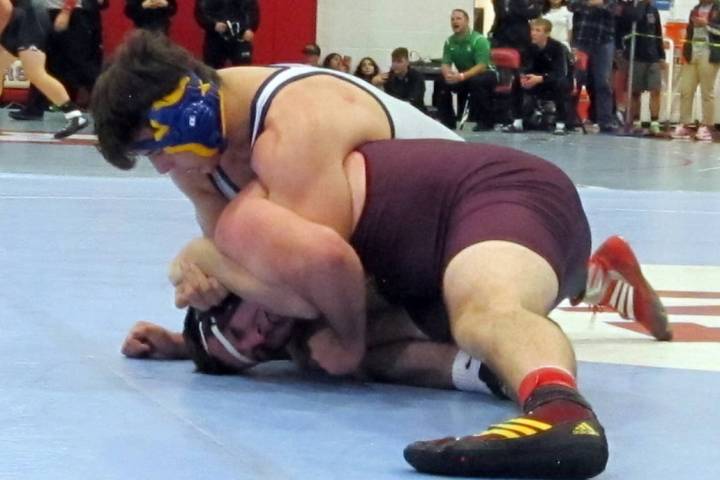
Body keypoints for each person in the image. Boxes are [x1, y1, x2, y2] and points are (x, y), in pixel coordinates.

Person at [149, 137, 671, 478]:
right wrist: (187, 346)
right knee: (345, 354)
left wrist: (195, 258)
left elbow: (317, 261)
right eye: (259, 348)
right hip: (467, 246)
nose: (264, 332)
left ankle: (562, 412)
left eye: (248, 324)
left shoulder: (280, 238)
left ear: (248, 283)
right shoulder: (303, 325)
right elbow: (268, 328)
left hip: (494, 190)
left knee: (481, 314)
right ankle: (595, 280)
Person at [91, 30, 461, 245]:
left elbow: (319, 271)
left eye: (156, 149)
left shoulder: (298, 119)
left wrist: (203, 261)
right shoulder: (193, 163)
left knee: (329, 340)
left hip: (470, 219)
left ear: (189, 116)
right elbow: (238, 259)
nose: (161, 167)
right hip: (414, 238)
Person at [0, 0, 89, 138]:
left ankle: (75, 116)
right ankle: (74, 116)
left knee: (35, 73)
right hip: (18, 21)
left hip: (28, 21)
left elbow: (5, 6)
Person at [503, 18, 572, 134]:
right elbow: (523, 66)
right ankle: (517, 122)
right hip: (535, 81)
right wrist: (523, 77)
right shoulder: (528, 47)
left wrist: (540, 79)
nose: (533, 33)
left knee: (561, 84)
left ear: (547, 33)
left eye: (538, 30)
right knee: (516, 82)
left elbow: (560, 73)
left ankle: (561, 124)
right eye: (533, 30)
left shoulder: (558, 48)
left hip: (552, 81)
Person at [433, 8, 497, 131]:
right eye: (452, 19)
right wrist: (448, 75)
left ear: (467, 21)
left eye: (458, 18)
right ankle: (447, 121)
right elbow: (445, 63)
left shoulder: (479, 40)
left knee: (477, 81)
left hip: (486, 74)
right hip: (465, 75)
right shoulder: (449, 42)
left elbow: (481, 66)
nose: (454, 21)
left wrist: (461, 76)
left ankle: (486, 122)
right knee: (441, 81)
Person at [671, 0, 720, 141]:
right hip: (692, 52)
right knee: (686, 90)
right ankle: (685, 124)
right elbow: (689, 32)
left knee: (707, 92)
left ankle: (707, 126)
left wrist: (707, 25)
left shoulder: (718, 8)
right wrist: (685, 52)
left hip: (709, 53)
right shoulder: (695, 9)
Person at [568, 0, 618, 133]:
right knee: (575, 80)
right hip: (580, 40)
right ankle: (569, 118)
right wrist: (595, 3)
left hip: (604, 41)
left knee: (603, 82)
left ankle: (605, 121)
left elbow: (615, 8)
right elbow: (571, 5)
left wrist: (595, 3)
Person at [626, 0, 665, 135]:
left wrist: (662, 56)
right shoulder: (631, 8)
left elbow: (658, 32)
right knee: (635, 92)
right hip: (636, 56)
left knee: (656, 90)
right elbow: (633, 19)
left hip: (653, 56)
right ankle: (636, 122)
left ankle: (654, 122)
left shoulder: (653, 10)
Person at [194, 0, 259, 68]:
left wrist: (250, 28)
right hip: (215, 37)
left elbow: (252, 10)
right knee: (213, 70)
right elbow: (201, 11)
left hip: (241, 35)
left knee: (243, 69)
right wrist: (213, 24)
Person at [375, 47, 427, 112]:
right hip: (397, 111)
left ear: (407, 62)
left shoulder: (417, 77)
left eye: (399, 61)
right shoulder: (389, 77)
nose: (395, 64)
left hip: (415, 112)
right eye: (393, 61)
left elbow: (414, 99)